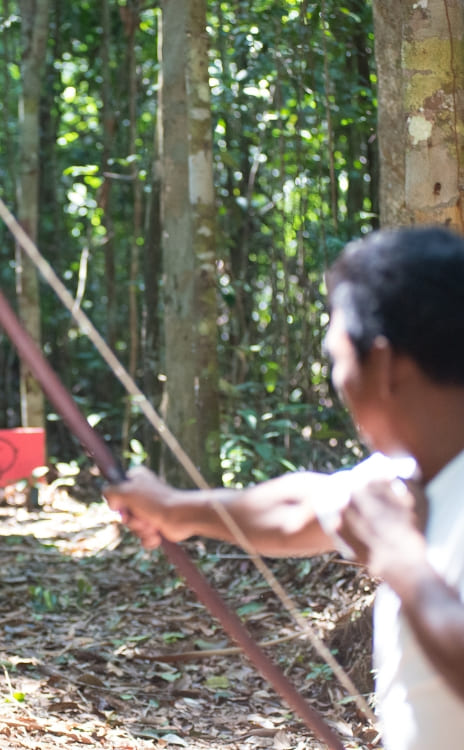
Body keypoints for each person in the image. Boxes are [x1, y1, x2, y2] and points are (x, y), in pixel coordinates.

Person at [104, 226, 464, 750]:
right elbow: (300, 506)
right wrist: (174, 508)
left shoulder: (410, 517)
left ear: (384, 365)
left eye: (338, 359)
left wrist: (403, 563)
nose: (338, 380)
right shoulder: (410, 476)